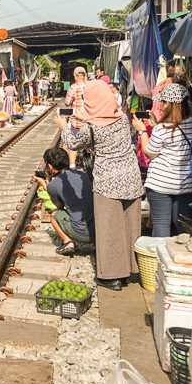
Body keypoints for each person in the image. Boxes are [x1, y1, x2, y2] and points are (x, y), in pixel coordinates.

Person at [56, 80, 143, 291]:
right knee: (130, 227)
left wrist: (64, 126)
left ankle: (112, 277)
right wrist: (85, 118)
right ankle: (130, 271)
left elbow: (73, 143)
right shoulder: (123, 118)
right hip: (131, 178)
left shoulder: (90, 128)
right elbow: (105, 120)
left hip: (107, 182)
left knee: (109, 229)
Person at [133, 83, 192, 237]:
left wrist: (142, 130)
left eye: (161, 102)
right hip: (184, 185)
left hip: (160, 185)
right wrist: (156, 124)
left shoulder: (162, 129)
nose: (160, 106)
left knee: (161, 226)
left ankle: (158, 260)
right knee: (183, 228)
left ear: (167, 103)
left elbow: (150, 153)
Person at [32, 147, 94, 256]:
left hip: (80, 234)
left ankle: (68, 242)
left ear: (50, 167)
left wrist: (46, 184)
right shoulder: (84, 175)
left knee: (54, 215)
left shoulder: (54, 185)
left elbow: (59, 206)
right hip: (99, 231)